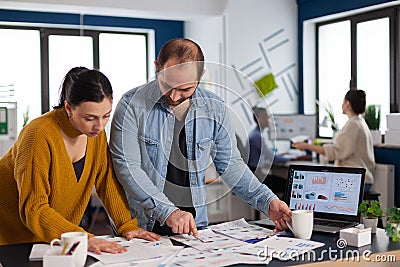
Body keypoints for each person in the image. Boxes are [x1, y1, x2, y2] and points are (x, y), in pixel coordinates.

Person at [109, 38, 291, 237]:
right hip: (142, 227)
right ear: (157, 67)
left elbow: (231, 165)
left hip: (195, 228)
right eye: (167, 85)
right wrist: (168, 211)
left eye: (185, 89)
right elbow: (128, 168)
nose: (175, 96)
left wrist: (267, 200)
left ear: (201, 75)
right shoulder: (131, 105)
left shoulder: (215, 108)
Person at [0, 67, 160, 253]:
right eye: (90, 118)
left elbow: (107, 182)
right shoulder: (38, 135)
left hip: (52, 240)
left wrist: (127, 225)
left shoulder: (95, 136)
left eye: (105, 116)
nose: (99, 126)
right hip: (9, 238)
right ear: (69, 108)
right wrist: (83, 238)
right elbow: (34, 208)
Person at [292, 89, 375, 192]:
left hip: (353, 180)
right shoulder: (360, 122)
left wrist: (307, 146)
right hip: (359, 178)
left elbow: (336, 152)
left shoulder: (353, 125)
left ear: (347, 104)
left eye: (343, 102)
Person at [247, 107, 290, 198]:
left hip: (256, 174)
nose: (268, 120)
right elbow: (272, 158)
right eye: (266, 117)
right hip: (257, 177)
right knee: (287, 185)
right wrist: (292, 158)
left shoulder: (256, 134)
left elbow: (268, 155)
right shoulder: (256, 136)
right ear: (259, 118)